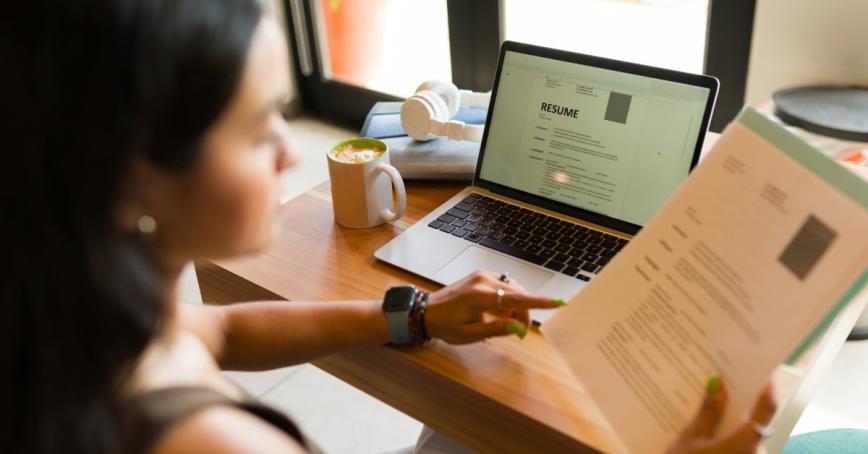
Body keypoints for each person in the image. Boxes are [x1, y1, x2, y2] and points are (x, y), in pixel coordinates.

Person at [1, 0, 775, 452]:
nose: (287, 148)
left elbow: (218, 336)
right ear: (138, 170)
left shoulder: (84, 314)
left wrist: (418, 315)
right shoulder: (218, 444)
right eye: (260, 123)